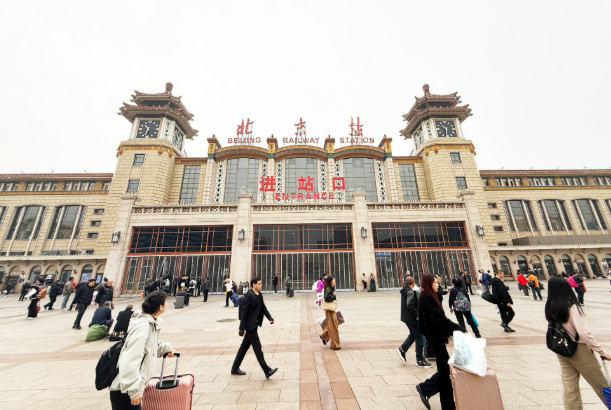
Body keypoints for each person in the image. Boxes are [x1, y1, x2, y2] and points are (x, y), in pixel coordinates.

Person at [545, 277, 611, 409]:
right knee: (600, 383)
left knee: (570, 386)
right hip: (579, 349)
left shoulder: (550, 306)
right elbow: (584, 333)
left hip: (562, 349)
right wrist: (602, 351)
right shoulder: (572, 307)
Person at [110, 291, 175, 409]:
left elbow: (150, 344)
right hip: (125, 390)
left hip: (129, 387)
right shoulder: (143, 326)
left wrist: (165, 348)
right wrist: (134, 390)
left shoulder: (149, 323)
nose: (167, 305)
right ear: (160, 307)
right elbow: (131, 357)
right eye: (165, 303)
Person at [416, 274, 463, 410]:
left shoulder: (426, 296)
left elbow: (423, 322)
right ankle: (425, 387)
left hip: (434, 337)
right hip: (435, 338)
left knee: (445, 371)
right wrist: (457, 329)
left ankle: (448, 405)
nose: (437, 284)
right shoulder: (428, 297)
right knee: (446, 371)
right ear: (429, 283)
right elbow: (439, 319)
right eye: (435, 282)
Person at [231, 277, 277, 378]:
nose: (261, 285)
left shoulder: (259, 295)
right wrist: (241, 328)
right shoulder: (249, 295)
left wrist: (269, 317)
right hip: (250, 326)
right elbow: (244, 312)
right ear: (253, 284)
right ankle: (267, 370)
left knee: (244, 347)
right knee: (257, 348)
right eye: (259, 284)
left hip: (254, 324)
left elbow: (263, 308)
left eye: (261, 283)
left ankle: (234, 368)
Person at [396, 276, 430, 367]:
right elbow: (410, 305)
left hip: (406, 317)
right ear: (413, 283)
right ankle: (419, 359)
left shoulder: (404, 290)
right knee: (419, 338)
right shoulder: (410, 292)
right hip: (412, 319)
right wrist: (417, 314)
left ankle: (403, 349)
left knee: (413, 335)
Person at [319, 275, 341, 350]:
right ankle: (334, 344)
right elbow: (327, 298)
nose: (334, 281)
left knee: (334, 324)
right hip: (329, 310)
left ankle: (324, 336)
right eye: (333, 280)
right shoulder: (329, 288)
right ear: (331, 281)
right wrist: (334, 296)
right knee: (333, 326)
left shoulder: (330, 288)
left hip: (330, 309)